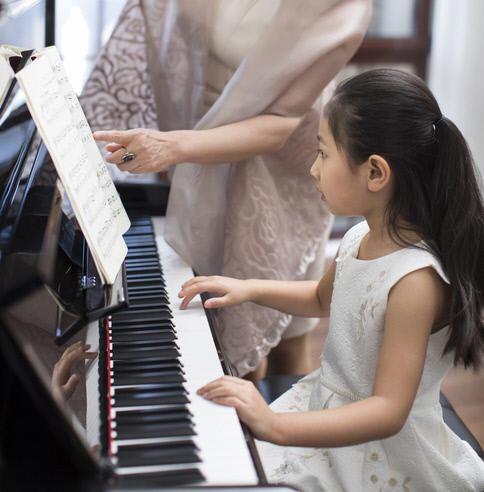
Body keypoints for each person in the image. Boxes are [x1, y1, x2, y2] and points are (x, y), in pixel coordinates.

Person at [177, 68, 484, 491]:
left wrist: (276, 426)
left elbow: (388, 411)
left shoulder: (415, 281)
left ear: (376, 173)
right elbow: (323, 299)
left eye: (323, 153)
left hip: (380, 453)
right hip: (325, 401)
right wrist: (248, 288)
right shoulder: (361, 235)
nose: (313, 169)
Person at [83, 0, 372, 379]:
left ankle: (267, 431)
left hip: (278, 168)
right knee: (215, 312)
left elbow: (278, 123)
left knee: (281, 336)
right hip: (197, 134)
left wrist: (173, 147)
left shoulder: (340, 6)